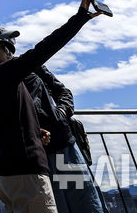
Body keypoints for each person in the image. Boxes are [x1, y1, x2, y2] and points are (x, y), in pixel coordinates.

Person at [0, 0, 101, 213]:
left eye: (12, 48)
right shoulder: (8, 72)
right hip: (29, 169)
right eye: (5, 47)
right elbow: (45, 48)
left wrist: (35, 131)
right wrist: (80, 18)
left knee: (80, 201)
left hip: (11, 170)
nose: (10, 52)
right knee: (78, 205)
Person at [23, 66, 104, 212]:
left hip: (64, 144)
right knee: (55, 204)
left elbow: (63, 91)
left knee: (85, 202)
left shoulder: (33, 65)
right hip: (37, 154)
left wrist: (61, 112)